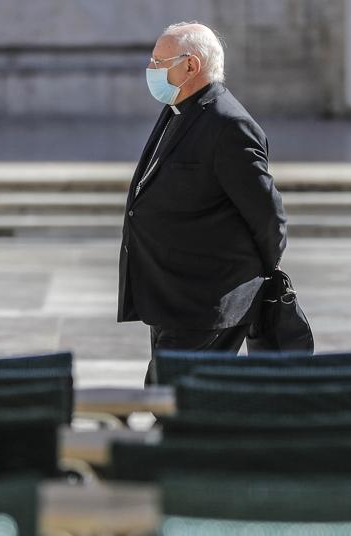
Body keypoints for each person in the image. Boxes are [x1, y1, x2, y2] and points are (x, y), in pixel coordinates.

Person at [117, 22, 287, 384]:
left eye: (158, 62)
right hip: (173, 296)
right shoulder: (180, 108)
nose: (151, 70)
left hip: (206, 302)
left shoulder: (229, 125)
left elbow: (268, 217)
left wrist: (248, 280)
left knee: (169, 399)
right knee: (174, 402)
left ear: (191, 66)